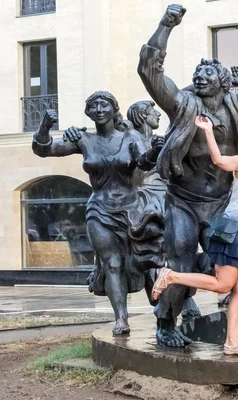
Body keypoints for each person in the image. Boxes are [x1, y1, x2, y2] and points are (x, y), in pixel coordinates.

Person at [151, 116, 238, 357]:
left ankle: (232, 343)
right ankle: (171, 276)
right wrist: (207, 130)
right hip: (233, 229)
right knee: (223, 285)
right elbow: (218, 159)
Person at [32, 92, 165, 336]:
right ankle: (121, 319)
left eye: (105, 104)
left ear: (114, 109)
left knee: (143, 261)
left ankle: (162, 305)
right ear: (89, 112)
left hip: (132, 210)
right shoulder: (83, 139)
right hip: (99, 210)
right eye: (94, 106)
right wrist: (44, 126)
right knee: (112, 263)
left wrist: (155, 151)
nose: (100, 109)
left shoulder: (130, 136)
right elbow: (45, 150)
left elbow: (144, 163)